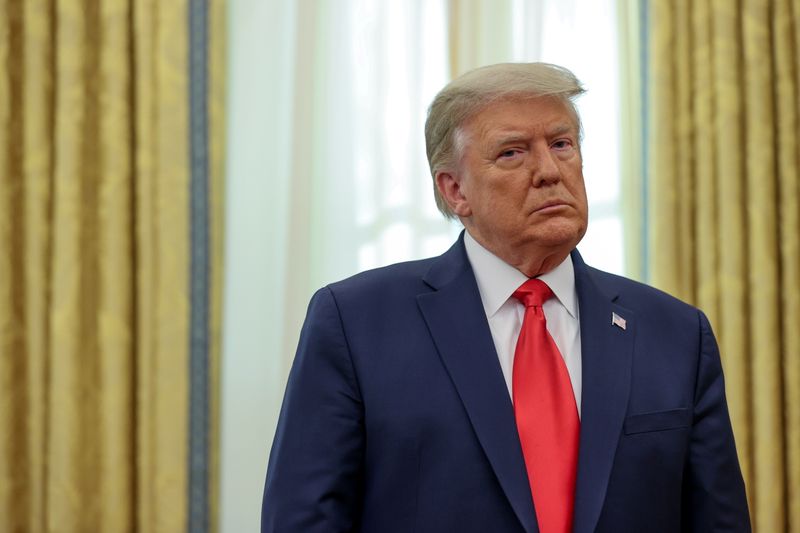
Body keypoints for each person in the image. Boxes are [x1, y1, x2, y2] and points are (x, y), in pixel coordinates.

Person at [261, 62, 750, 532]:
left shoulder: (676, 332)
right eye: (513, 152)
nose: (549, 170)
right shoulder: (356, 323)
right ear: (455, 191)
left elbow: (718, 519)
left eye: (562, 144)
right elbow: (304, 519)